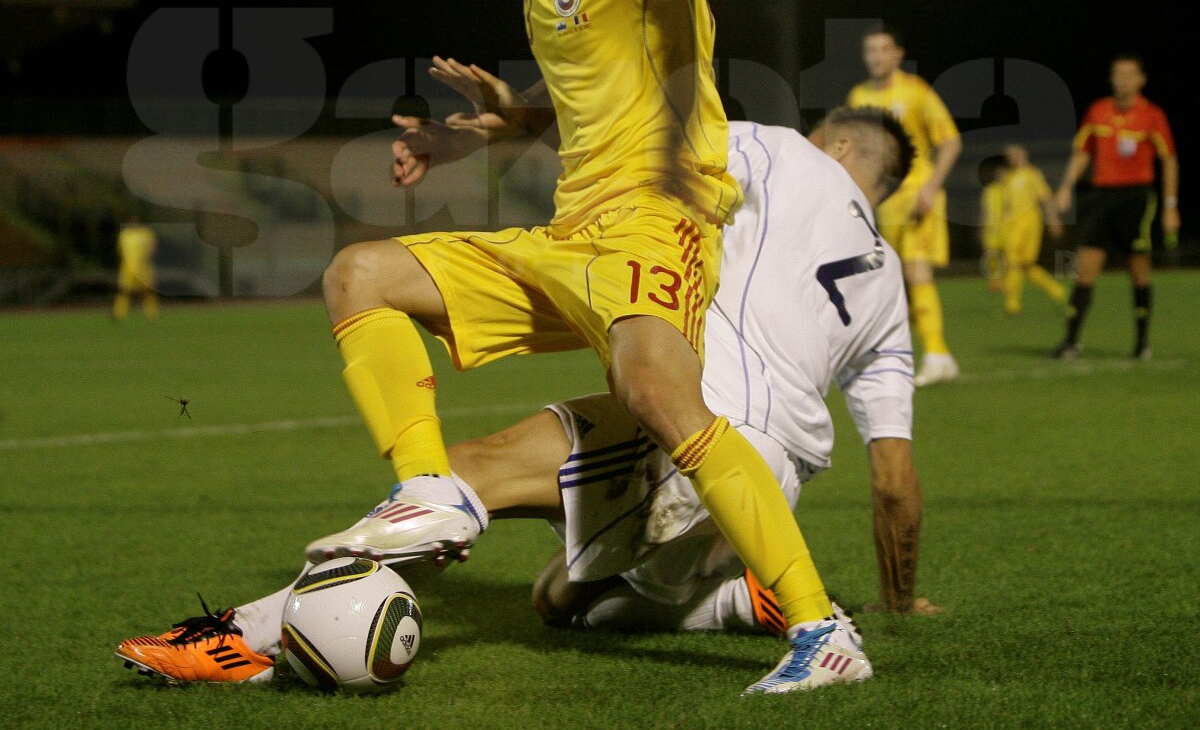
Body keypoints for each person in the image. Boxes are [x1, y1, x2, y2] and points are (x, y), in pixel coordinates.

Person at [304, 0, 844, 695]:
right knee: (360, 272)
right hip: (572, 234)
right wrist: (473, 131)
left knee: (658, 397)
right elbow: (580, 110)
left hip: (657, 218)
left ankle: (821, 630)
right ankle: (428, 485)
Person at [114, 109, 936, 689]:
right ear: (887, 187)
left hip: (695, 431)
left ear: (836, 138)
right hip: (768, 485)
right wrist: (901, 598)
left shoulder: (781, 151)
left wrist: (474, 134)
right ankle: (734, 594)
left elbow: (629, 134)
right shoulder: (889, 285)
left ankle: (240, 636)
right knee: (557, 602)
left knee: (467, 471)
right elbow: (895, 477)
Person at [846, 26, 962, 386]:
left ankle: (938, 354)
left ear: (898, 54)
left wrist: (931, 186)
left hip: (917, 196)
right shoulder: (859, 96)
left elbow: (951, 142)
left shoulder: (916, 91)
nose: (877, 57)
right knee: (894, 281)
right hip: (885, 202)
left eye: (884, 50)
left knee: (916, 272)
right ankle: (907, 354)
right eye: (871, 51)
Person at [1053, 54, 1179, 360]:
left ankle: (1142, 343)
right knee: (1085, 269)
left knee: (1138, 271)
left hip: (1136, 199)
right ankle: (1070, 342)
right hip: (1102, 198)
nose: (1122, 80)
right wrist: (1066, 186)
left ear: (1141, 80)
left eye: (1128, 74)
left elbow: (1169, 160)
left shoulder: (1152, 115)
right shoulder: (1098, 111)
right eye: (1117, 74)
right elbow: (1082, 153)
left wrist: (1170, 205)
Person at [996, 143, 1065, 315]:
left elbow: (1046, 198)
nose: (1012, 158)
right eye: (1009, 155)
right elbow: (1006, 206)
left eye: (1014, 154)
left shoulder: (1032, 174)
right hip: (1011, 226)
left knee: (1025, 265)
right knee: (1014, 262)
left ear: (1023, 154)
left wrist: (1053, 219)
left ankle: (1056, 290)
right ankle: (1012, 304)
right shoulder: (1009, 177)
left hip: (1030, 225)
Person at [112, 213, 159, 321]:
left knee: (148, 291)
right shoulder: (124, 234)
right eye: (131, 220)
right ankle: (119, 314)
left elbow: (153, 248)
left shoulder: (146, 233)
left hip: (143, 268)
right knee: (124, 291)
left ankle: (152, 315)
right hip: (127, 268)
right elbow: (120, 251)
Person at [978, 157, 1007, 295]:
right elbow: (985, 209)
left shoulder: (1009, 189)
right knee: (991, 257)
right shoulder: (990, 189)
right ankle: (995, 283)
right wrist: (982, 225)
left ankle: (1007, 284)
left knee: (1008, 258)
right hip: (991, 229)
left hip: (1008, 229)